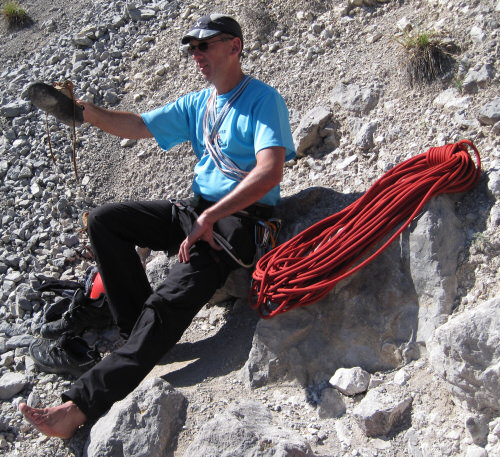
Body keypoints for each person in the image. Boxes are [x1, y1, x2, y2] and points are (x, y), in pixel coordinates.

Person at [19, 13, 295, 439]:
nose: (195, 54)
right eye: (192, 48)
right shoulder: (200, 103)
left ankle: (81, 404)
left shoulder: (262, 99)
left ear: (234, 46)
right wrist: (84, 112)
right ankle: (138, 333)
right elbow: (139, 125)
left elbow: (270, 171)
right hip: (197, 211)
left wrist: (211, 216)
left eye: (204, 45)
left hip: (236, 221)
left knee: (166, 302)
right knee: (104, 222)